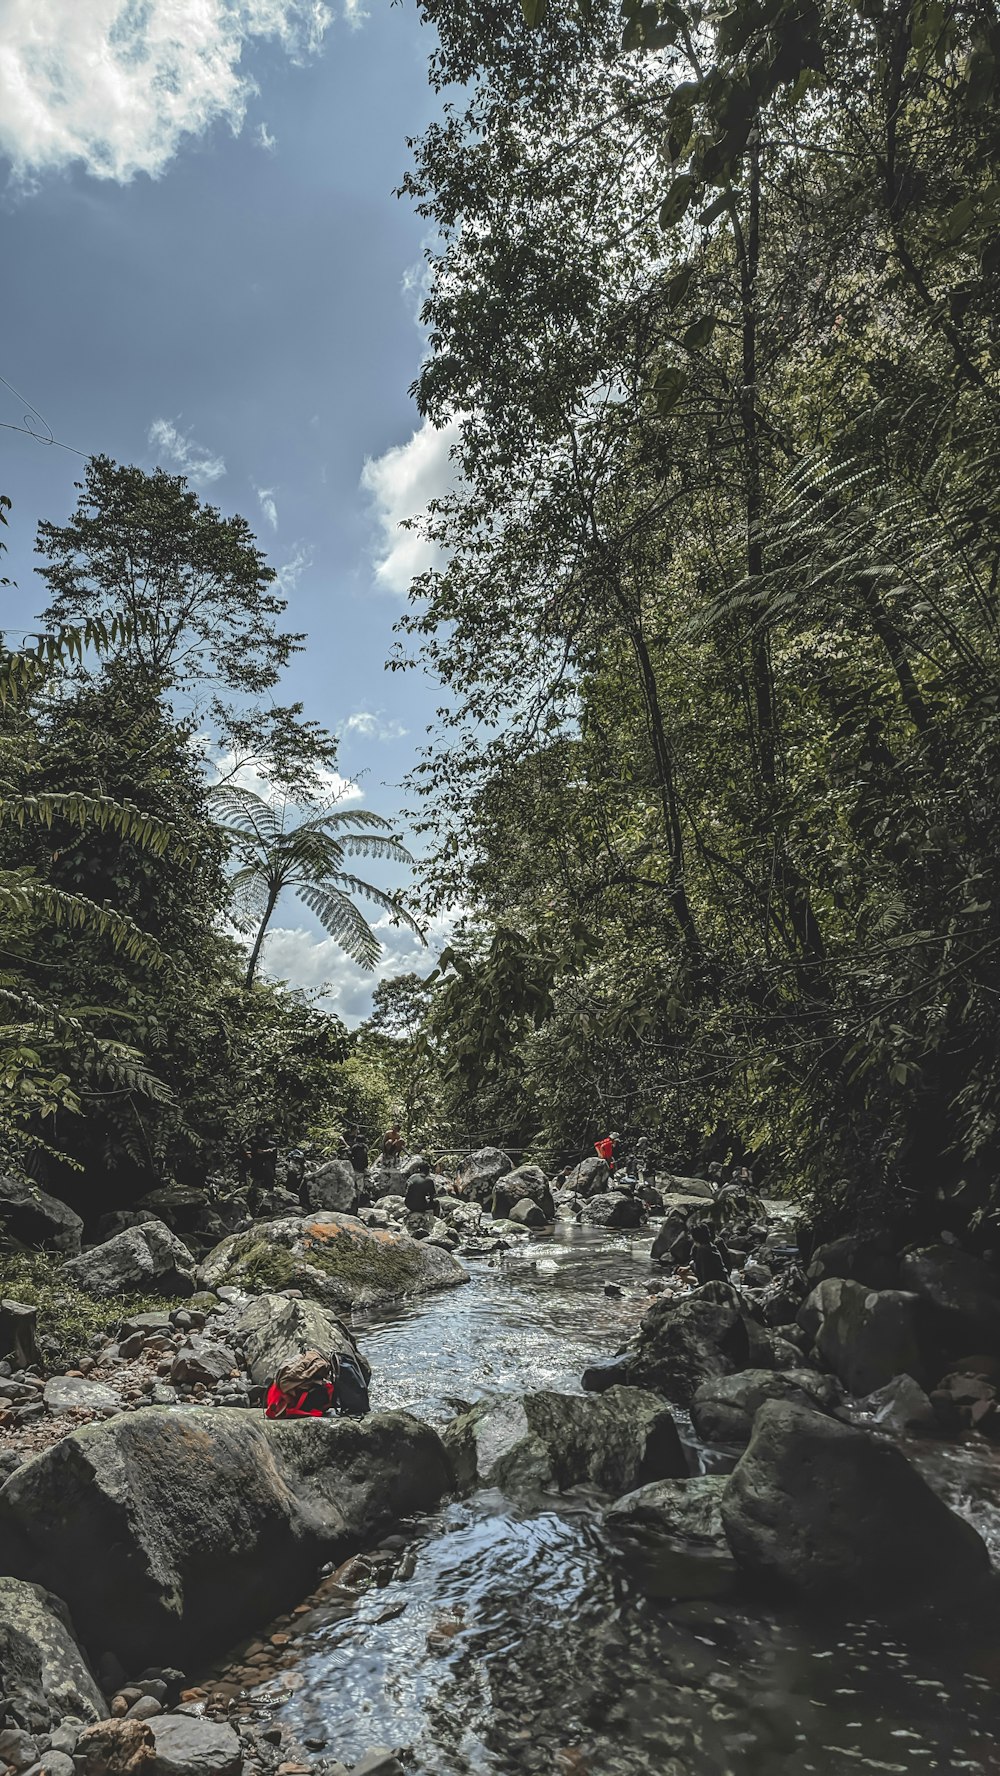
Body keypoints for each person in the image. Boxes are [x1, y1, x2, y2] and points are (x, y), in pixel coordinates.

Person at [690, 1221, 736, 1286]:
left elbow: (704, 1274)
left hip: (715, 1286)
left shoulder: (702, 1250)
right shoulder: (710, 1246)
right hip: (723, 1281)